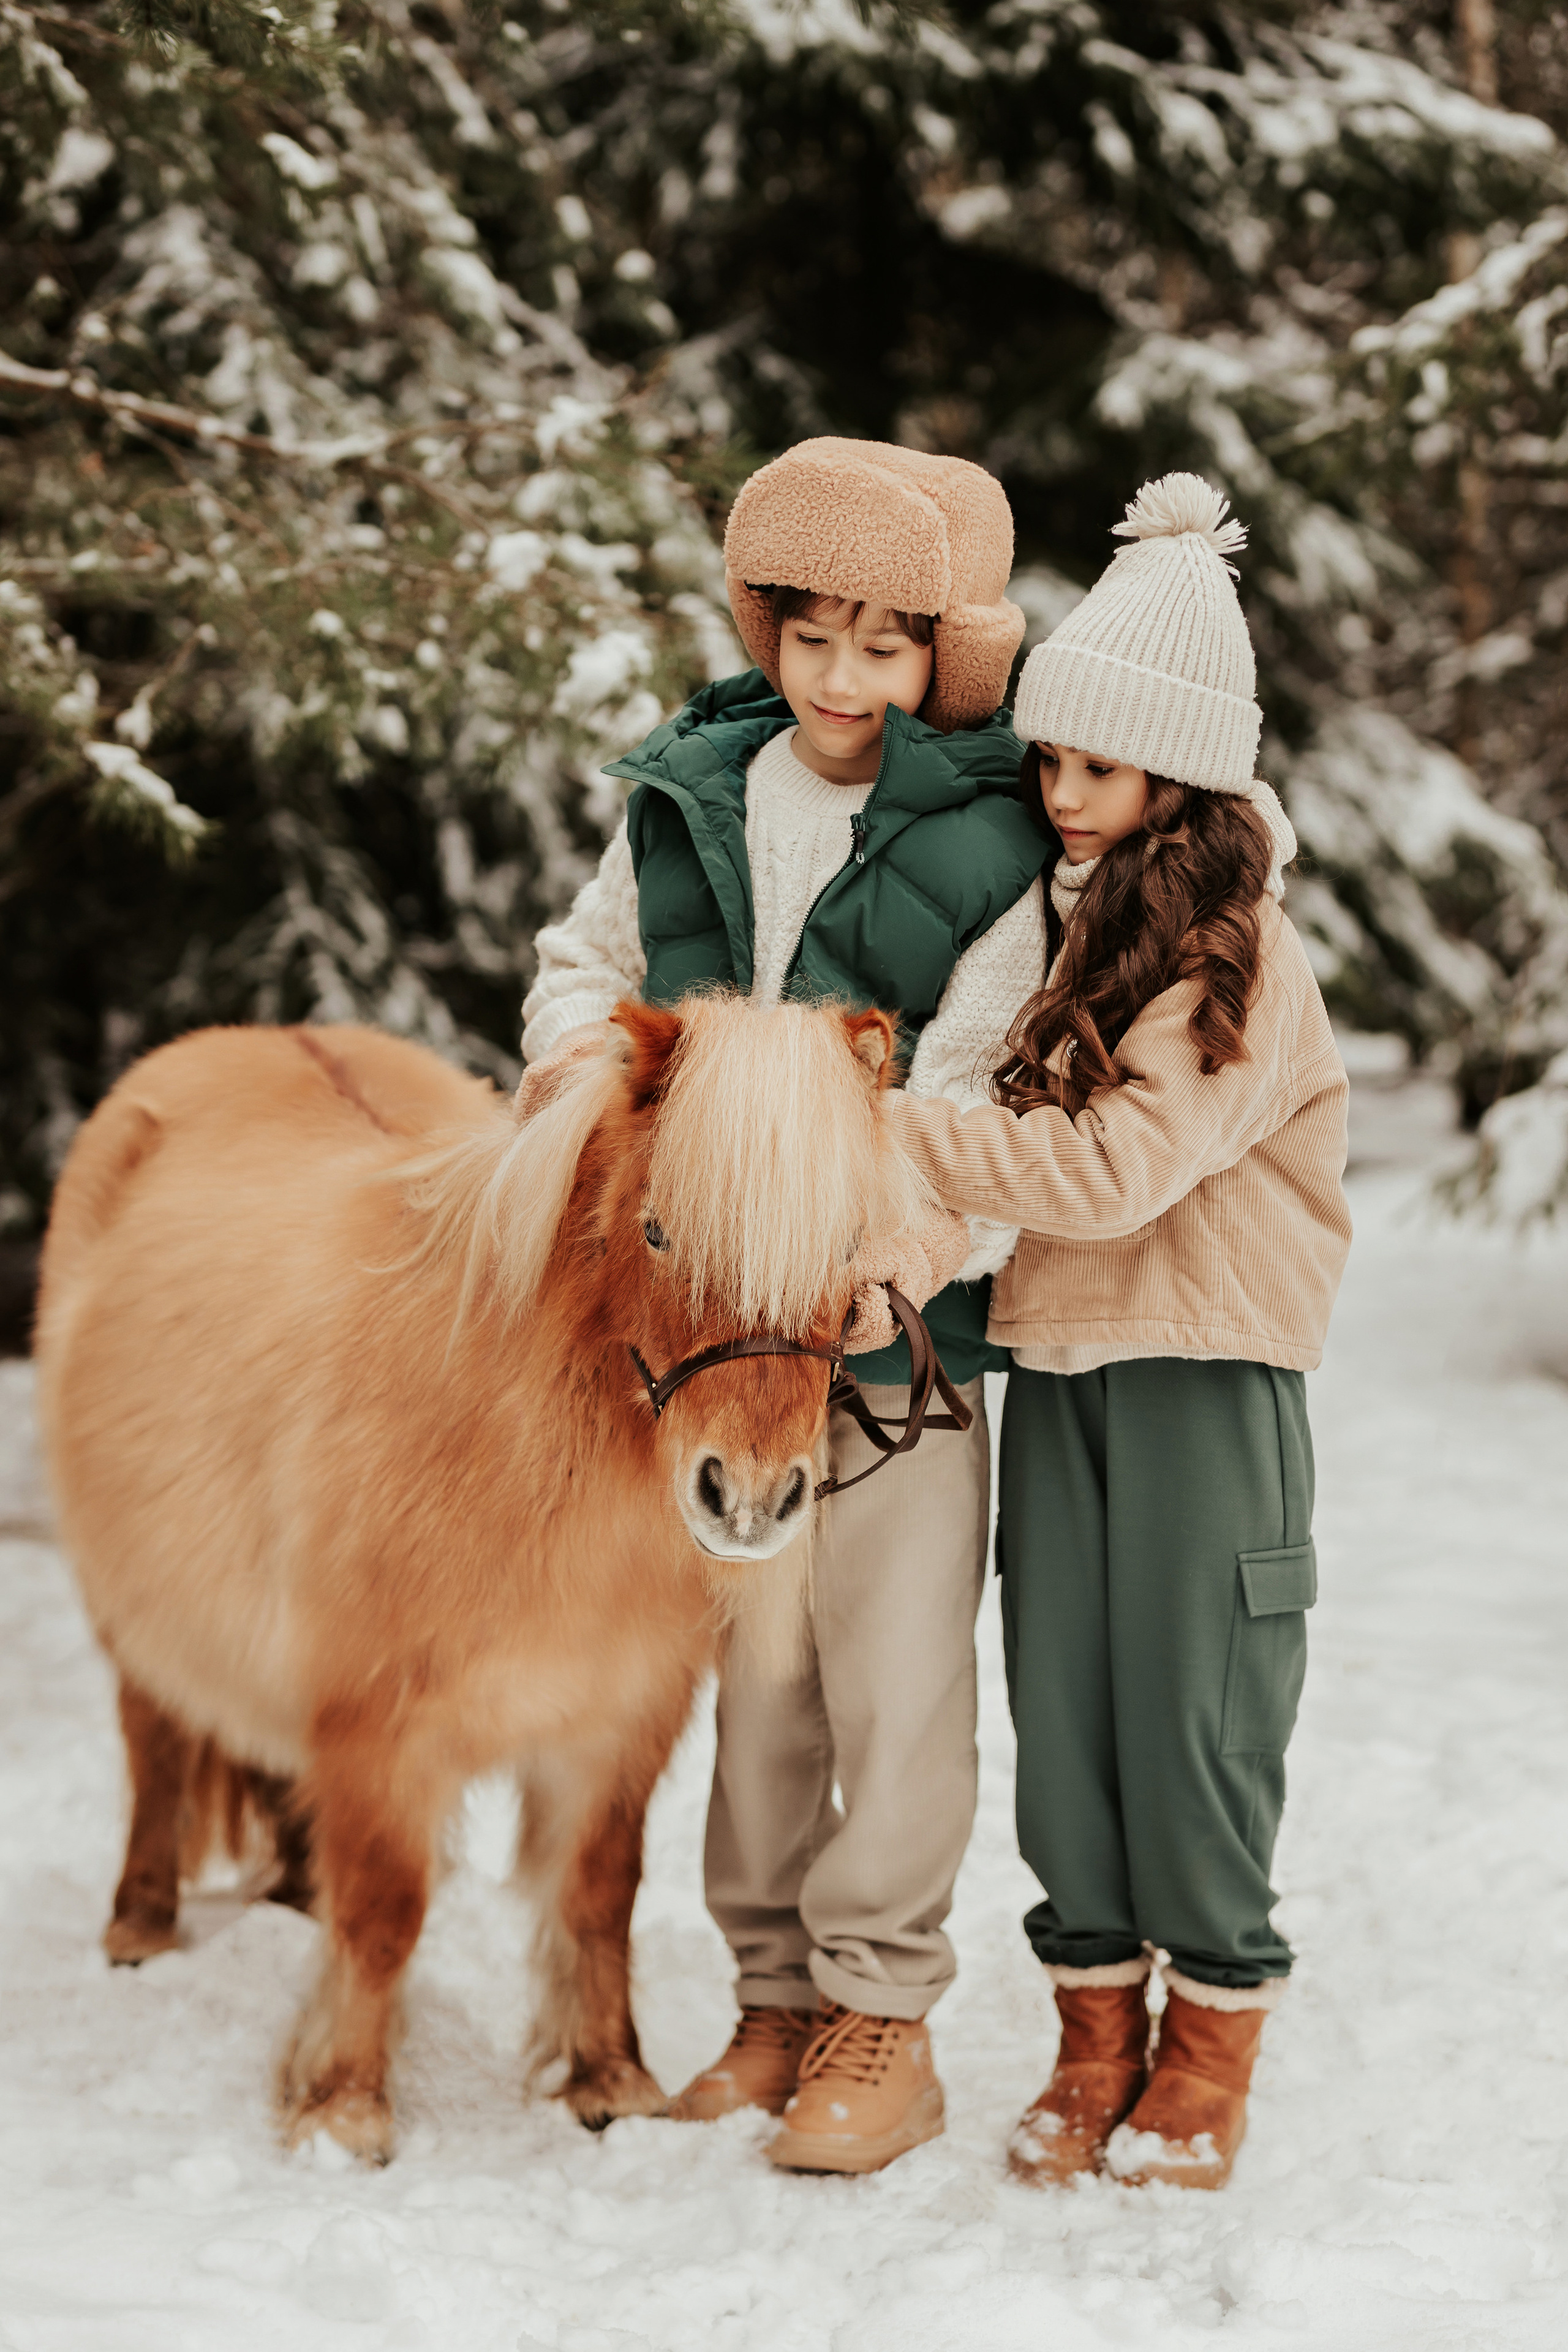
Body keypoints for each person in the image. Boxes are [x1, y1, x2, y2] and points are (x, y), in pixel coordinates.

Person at [520, 438, 1054, 2174]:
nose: (839, 680)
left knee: (893, 1682)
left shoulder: (991, 843)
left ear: (944, 659)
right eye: (807, 634)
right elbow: (590, 968)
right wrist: (586, 1089)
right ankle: (766, 2000)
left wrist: (880, 1233)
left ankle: (880, 2013)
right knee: (757, 1688)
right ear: (763, 626)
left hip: (895, 1337)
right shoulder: (692, 784)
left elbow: (981, 1087)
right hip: (702, 1337)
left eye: (884, 647)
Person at [886, 473, 1352, 2191]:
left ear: (1183, 775)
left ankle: (1210, 2044)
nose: (1060, 796)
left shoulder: (1239, 956)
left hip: (1207, 1377)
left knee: (1196, 1716)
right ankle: (1095, 2036)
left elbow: (1112, 1169)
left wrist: (885, 1127)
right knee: (1067, 1717)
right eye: (1049, 763)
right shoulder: (1083, 931)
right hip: (1064, 1367)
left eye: (1095, 766)